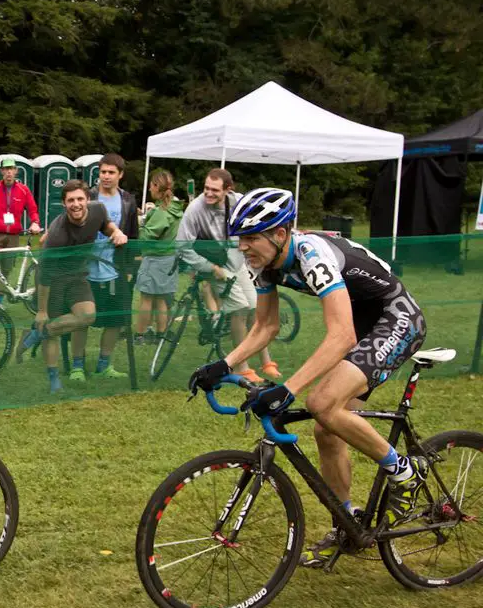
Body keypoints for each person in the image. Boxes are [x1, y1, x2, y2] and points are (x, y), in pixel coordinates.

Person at [188, 187, 429, 568]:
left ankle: (405, 472)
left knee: (320, 404)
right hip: (362, 323)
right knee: (326, 428)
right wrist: (224, 363)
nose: (244, 247)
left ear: (280, 235)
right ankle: (346, 524)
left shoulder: (312, 255)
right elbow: (265, 327)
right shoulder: (263, 263)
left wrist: (288, 388)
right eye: (241, 239)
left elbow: (342, 336)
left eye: (251, 238)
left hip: (395, 318)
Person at [15, 180, 128, 393]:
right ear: (64, 204)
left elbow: (105, 223)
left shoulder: (98, 209)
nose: (76, 204)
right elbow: (45, 274)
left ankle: (36, 334)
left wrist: (116, 231)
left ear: (87, 199)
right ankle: (53, 377)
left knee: (87, 316)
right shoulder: (57, 233)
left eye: (80, 199)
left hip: (77, 276)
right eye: (70, 201)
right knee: (52, 329)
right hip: (52, 279)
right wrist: (41, 311)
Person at [176, 168, 278, 382]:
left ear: (228, 190)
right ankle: (240, 367)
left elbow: (260, 218)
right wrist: (210, 268)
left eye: (214, 190)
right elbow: (182, 246)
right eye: (206, 188)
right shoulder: (195, 210)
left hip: (238, 262)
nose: (208, 194)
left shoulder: (239, 202)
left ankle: (266, 361)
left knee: (254, 307)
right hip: (213, 265)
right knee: (239, 308)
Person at [80, 153, 139, 379]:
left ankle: (104, 364)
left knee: (116, 319)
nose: (106, 176)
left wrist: (132, 268)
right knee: (82, 318)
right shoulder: (87, 196)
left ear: (120, 175)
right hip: (85, 269)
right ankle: (78, 364)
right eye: (103, 171)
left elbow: (133, 235)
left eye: (111, 172)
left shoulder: (128, 200)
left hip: (115, 269)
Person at [0, 158, 42, 306]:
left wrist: (35, 222)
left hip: (13, 236)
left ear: (16, 171)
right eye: (6, 169)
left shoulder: (24, 190)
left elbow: (33, 210)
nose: (8, 172)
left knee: (6, 269)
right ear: (1, 171)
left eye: (11, 169)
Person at [135, 169, 184, 344]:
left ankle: (140, 335)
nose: (149, 189)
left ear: (157, 186)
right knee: (162, 298)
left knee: (146, 299)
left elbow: (147, 237)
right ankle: (160, 334)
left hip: (156, 259)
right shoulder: (175, 208)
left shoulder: (162, 211)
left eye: (151, 186)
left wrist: (139, 228)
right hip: (170, 258)